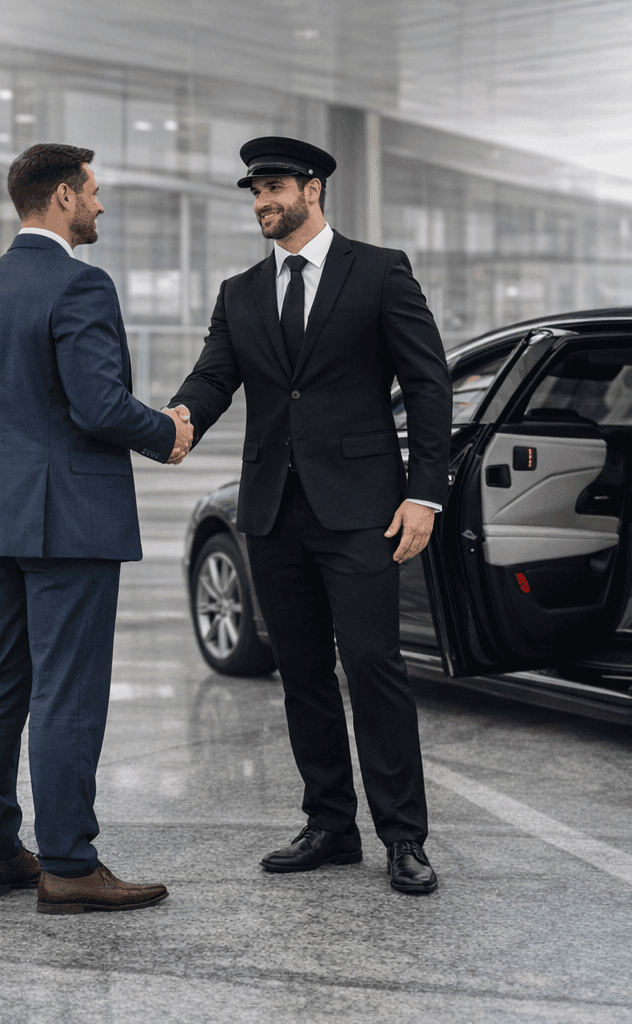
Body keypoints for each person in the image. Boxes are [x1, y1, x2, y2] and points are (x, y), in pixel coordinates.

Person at [166, 136, 452, 894]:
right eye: (253, 191)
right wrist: (178, 419)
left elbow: (427, 386)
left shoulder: (380, 271)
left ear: (312, 187)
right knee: (300, 674)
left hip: (362, 510)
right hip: (271, 511)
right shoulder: (240, 292)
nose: (261, 202)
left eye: (272, 188)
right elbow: (213, 377)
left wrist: (424, 493)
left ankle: (403, 836)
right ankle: (329, 823)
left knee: (372, 667)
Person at [0, 143, 192, 915]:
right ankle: (71, 866)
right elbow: (97, 405)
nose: (101, 205)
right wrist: (167, 431)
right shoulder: (80, 285)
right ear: (61, 200)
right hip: (72, 523)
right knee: (68, 693)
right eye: (93, 192)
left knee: (0, 681)